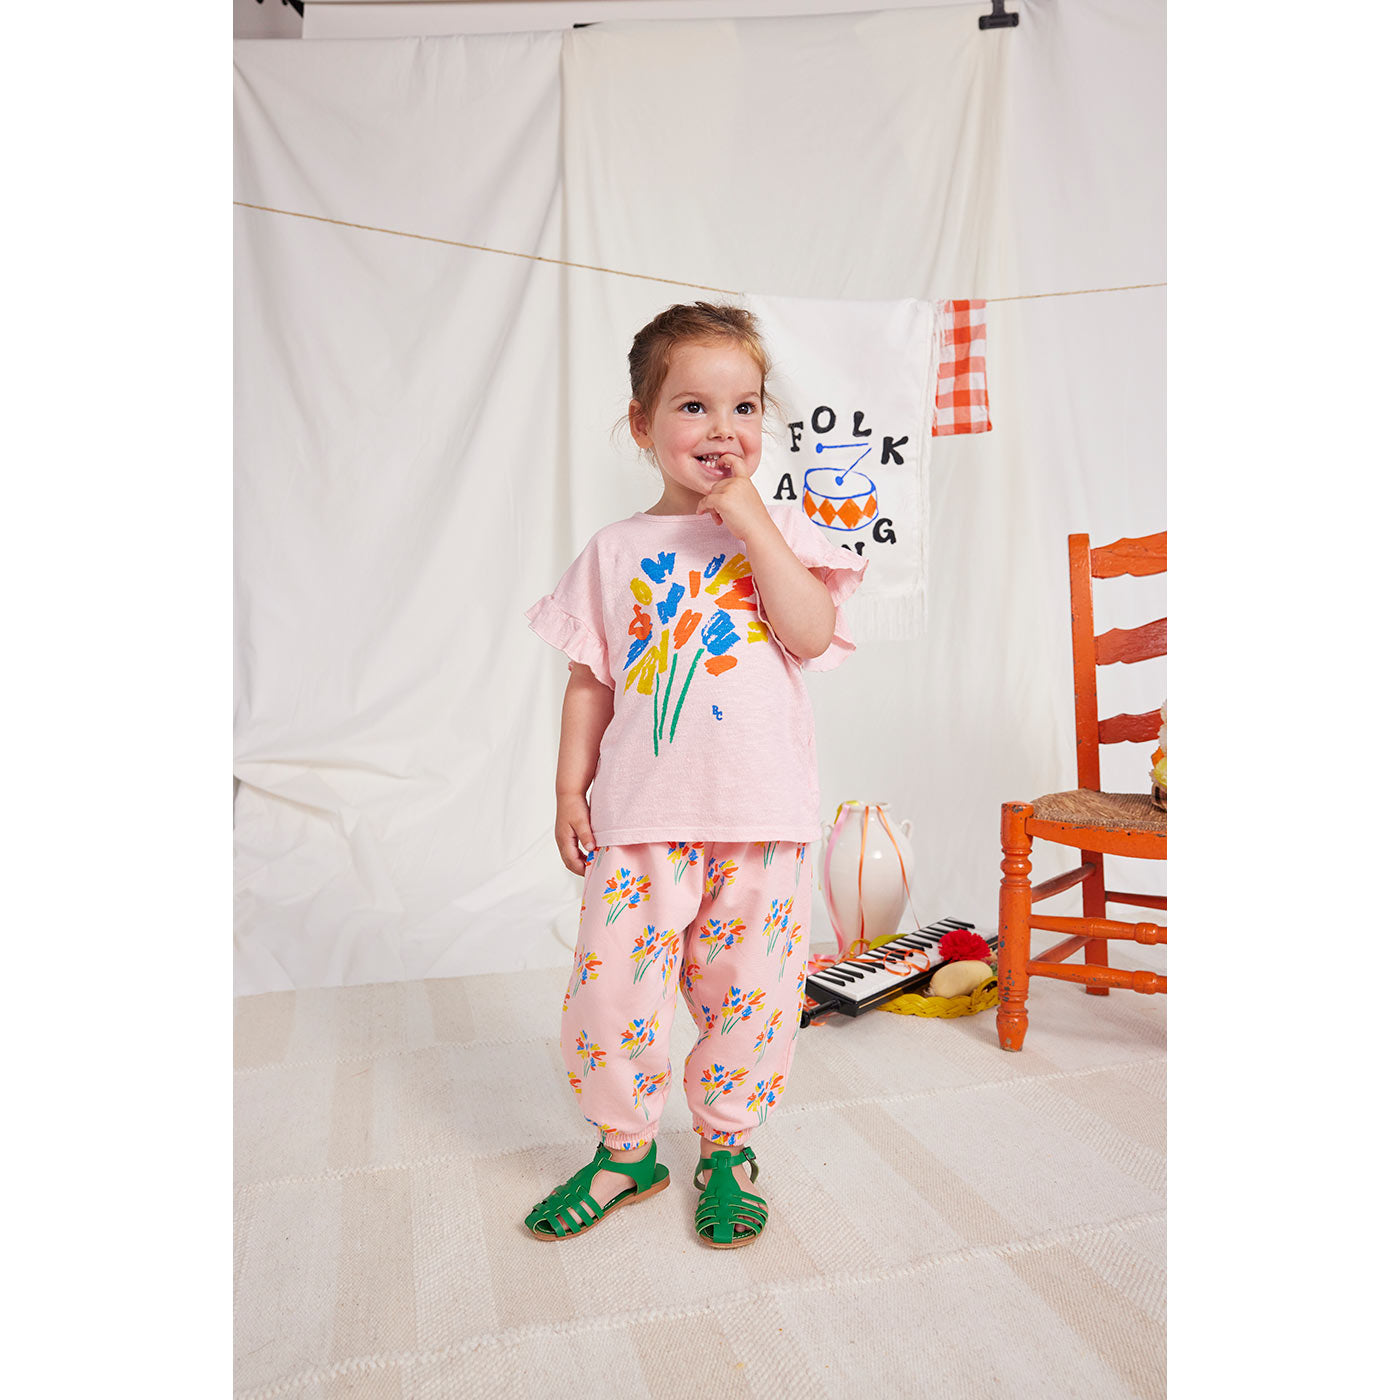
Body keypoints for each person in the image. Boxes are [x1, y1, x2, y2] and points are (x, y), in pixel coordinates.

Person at [522, 302, 867, 1248]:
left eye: (744, 407)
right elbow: (591, 681)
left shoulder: (784, 531)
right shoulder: (615, 550)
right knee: (612, 991)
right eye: (693, 407)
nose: (722, 429)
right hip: (642, 818)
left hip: (761, 818)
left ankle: (726, 1147)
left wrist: (753, 524)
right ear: (642, 424)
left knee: (751, 990)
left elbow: (809, 634)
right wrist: (569, 791)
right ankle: (625, 1151)